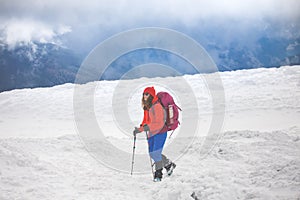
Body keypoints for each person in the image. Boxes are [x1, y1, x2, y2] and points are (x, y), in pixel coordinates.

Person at [133, 86, 176, 181]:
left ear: (151, 95)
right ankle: (169, 164)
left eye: (147, 94)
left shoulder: (157, 106)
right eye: (144, 94)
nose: (145, 96)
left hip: (160, 132)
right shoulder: (147, 107)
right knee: (152, 153)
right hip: (151, 133)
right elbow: (146, 121)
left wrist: (146, 128)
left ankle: (158, 174)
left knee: (156, 153)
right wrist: (140, 129)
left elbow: (159, 123)